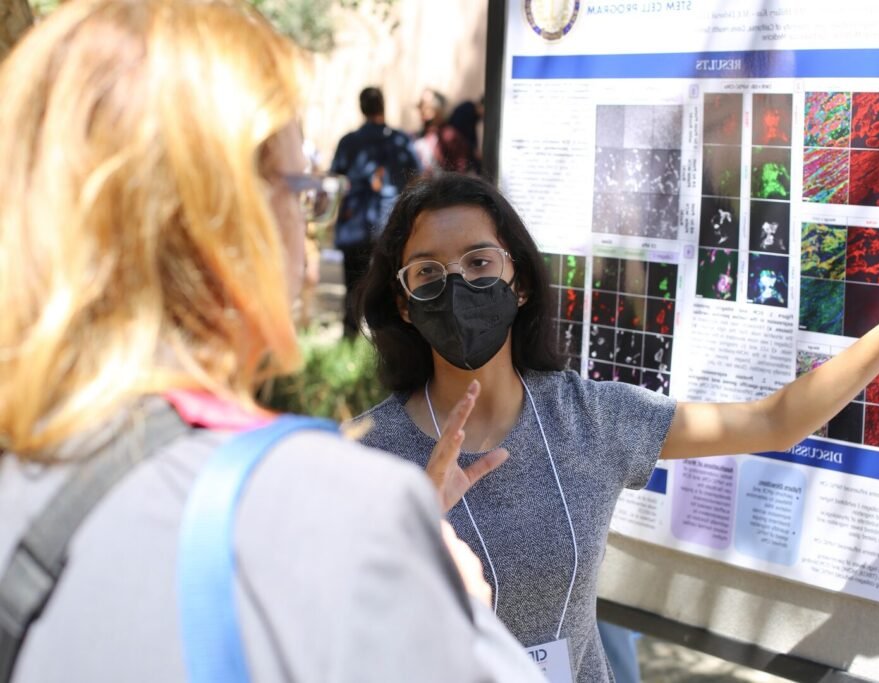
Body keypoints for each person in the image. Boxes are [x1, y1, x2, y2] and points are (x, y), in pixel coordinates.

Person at [0, 3, 543, 682]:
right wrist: (454, 602)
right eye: (302, 193)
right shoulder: (339, 511)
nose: (308, 228)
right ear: (227, 221)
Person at [353, 172, 879, 682]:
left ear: (519, 281)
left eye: (479, 262)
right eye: (427, 274)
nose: (458, 285)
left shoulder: (589, 418)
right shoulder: (367, 457)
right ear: (405, 306)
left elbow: (775, 420)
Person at [330, 86, 420, 335]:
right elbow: (416, 176)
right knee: (393, 279)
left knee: (354, 281)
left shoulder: (348, 142)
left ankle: (351, 331)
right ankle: (391, 333)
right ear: (383, 105)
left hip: (355, 221)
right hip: (391, 220)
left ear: (362, 108)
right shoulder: (401, 140)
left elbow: (337, 178)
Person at [414, 87, 474, 175]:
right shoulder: (420, 135)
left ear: (438, 108)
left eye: (426, 105)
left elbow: (460, 168)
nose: (422, 109)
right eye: (420, 105)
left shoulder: (449, 135)